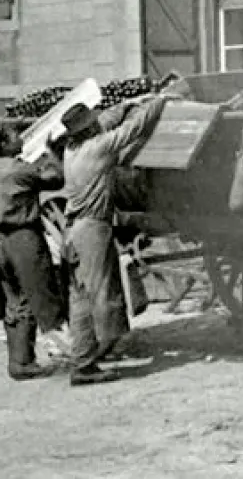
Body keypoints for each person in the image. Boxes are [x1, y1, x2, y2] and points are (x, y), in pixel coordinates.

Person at [60, 93, 169, 386]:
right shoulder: (98, 149)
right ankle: (106, 349)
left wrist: (129, 102)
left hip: (71, 232)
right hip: (92, 230)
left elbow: (107, 120)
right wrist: (158, 101)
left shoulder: (70, 151)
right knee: (102, 295)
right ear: (90, 130)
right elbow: (134, 128)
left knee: (80, 299)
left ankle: (83, 362)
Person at [0, 123, 69, 381]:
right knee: (43, 295)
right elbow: (56, 179)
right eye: (16, 136)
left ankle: (20, 362)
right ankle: (73, 353)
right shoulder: (19, 169)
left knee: (15, 301)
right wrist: (52, 153)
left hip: (1, 242)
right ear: (5, 143)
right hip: (24, 237)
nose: (22, 139)